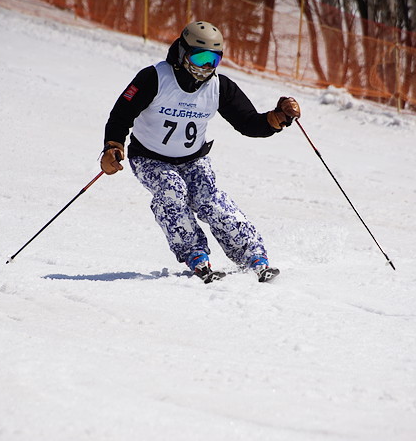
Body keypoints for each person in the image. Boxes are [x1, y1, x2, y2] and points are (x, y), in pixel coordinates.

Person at [100, 21, 301, 283]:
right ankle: (195, 254)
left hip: (193, 159)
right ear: (183, 52)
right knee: (171, 190)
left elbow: (248, 123)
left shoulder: (219, 87)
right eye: (200, 57)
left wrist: (276, 119)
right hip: (150, 158)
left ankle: (253, 255)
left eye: (214, 59)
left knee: (209, 199)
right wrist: (112, 146)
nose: (206, 66)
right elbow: (121, 114)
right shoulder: (153, 78)